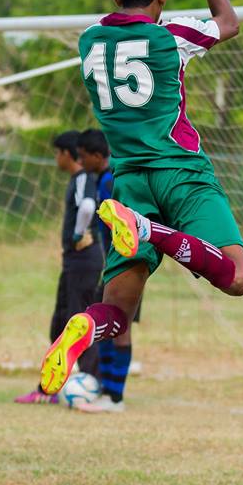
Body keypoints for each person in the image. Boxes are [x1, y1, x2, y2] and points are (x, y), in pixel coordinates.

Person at [38, 0, 243, 396]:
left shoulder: (90, 41)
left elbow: (118, 21)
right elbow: (228, 20)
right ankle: (153, 232)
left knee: (115, 311)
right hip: (181, 173)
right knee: (236, 277)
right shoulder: (170, 36)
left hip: (129, 183)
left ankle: (82, 329)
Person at [15, 131, 103, 404]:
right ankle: (54, 386)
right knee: (60, 324)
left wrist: (78, 233)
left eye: (57, 153)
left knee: (78, 324)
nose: (56, 158)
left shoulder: (83, 179)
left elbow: (87, 206)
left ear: (68, 154)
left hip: (84, 260)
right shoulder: (79, 179)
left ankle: (90, 383)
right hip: (74, 262)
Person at [75, 129, 132, 413]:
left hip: (126, 266)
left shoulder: (111, 181)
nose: (80, 161)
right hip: (114, 267)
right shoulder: (101, 180)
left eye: (83, 157)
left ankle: (115, 397)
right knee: (109, 328)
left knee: (119, 329)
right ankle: (109, 392)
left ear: (98, 156)